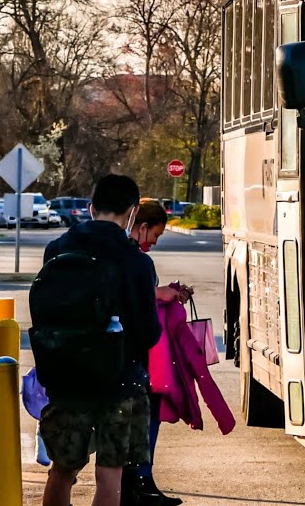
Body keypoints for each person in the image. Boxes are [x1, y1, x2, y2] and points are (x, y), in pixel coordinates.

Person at [38, 175, 161, 506]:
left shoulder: (57, 248)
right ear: (132, 213)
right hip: (121, 382)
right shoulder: (137, 261)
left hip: (65, 379)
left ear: (91, 208)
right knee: (110, 473)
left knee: (62, 471)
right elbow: (150, 332)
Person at [126, 199, 192, 506]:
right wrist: (158, 293)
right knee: (146, 417)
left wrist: (165, 291)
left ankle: (138, 482)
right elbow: (128, 296)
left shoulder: (117, 253)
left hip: (118, 354)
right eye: (156, 234)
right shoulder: (136, 260)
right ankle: (140, 481)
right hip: (136, 355)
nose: (154, 241)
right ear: (142, 227)